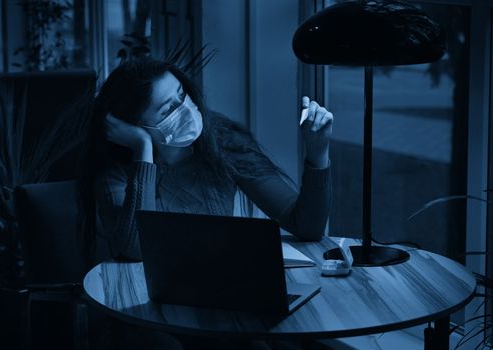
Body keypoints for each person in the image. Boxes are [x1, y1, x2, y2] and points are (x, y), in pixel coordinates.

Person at [77, 58, 333, 350]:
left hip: (221, 305)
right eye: (168, 109)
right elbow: (135, 249)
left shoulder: (221, 140)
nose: (185, 109)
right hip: (146, 314)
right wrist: (143, 151)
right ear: (135, 125)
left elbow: (307, 225)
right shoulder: (116, 169)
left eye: (181, 95)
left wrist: (318, 152)